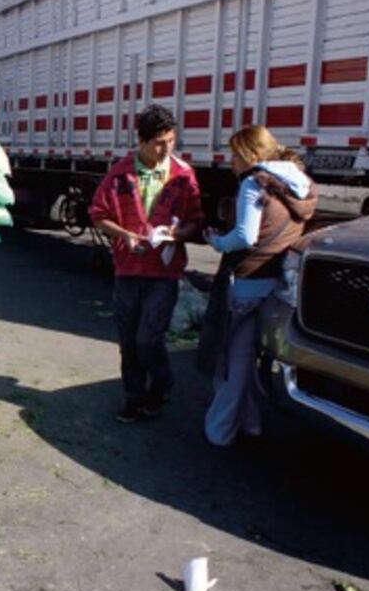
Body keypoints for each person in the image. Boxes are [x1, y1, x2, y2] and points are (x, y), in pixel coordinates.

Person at [202, 125, 317, 446]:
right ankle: (251, 422)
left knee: (235, 359)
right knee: (252, 356)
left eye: (235, 155)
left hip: (249, 281)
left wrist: (216, 241)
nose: (231, 163)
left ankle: (219, 430)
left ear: (251, 155)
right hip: (278, 283)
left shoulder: (254, 183)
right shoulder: (299, 183)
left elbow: (245, 236)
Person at [89, 105, 204, 423]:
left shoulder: (183, 175)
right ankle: (134, 398)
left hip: (164, 272)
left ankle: (162, 384)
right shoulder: (120, 174)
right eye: (158, 142)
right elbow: (98, 214)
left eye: (171, 140)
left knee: (148, 339)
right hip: (128, 270)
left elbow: (196, 222)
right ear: (140, 141)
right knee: (128, 341)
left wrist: (177, 234)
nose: (166, 148)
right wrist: (125, 235)